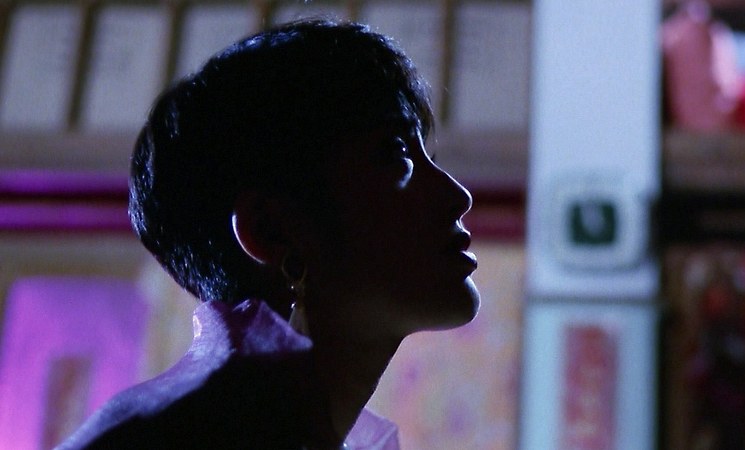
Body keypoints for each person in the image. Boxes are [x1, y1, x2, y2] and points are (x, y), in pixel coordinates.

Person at [58, 18, 479, 450]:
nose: (458, 196)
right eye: (395, 154)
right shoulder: (195, 434)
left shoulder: (255, 417)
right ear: (270, 230)